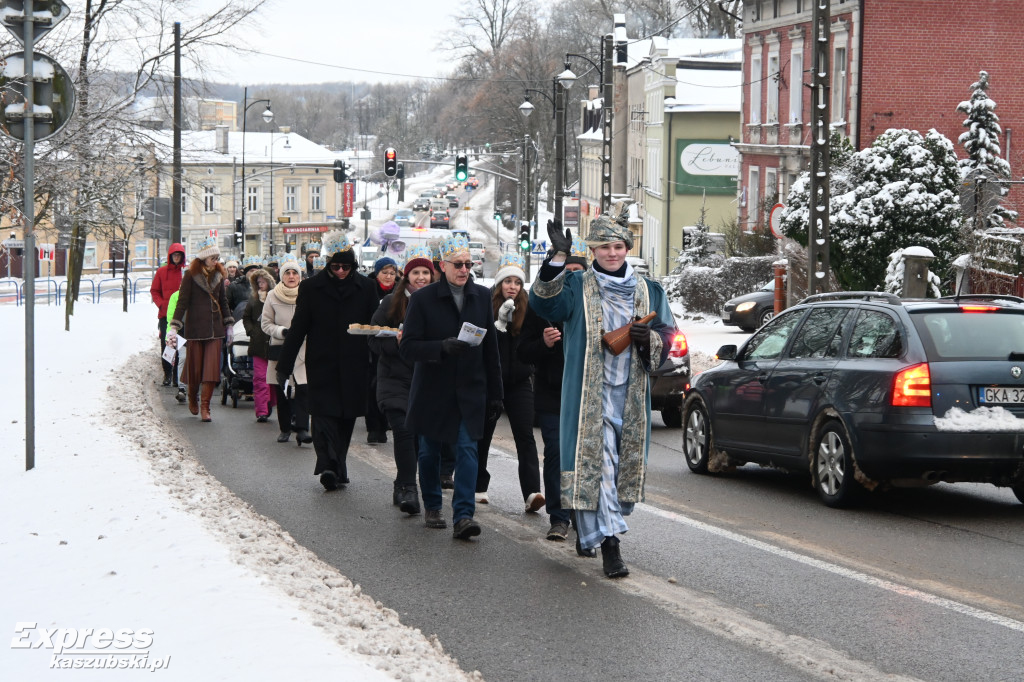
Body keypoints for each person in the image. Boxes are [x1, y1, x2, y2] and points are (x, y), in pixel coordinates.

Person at [529, 206, 676, 578]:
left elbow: (669, 337)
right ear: (592, 252)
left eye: (618, 246)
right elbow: (543, 301)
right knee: (601, 465)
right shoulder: (577, 286)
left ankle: (588, 528)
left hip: (629, 395)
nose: (612, 253)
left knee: (612, 471)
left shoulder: (649, 290)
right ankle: (611, 545)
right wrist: (558, 258)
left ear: (627, 248)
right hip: (588, 395)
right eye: (603, 247)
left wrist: (649, 340)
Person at [401, 234, 502, 540]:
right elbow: (408, 348)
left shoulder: (482, 297)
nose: (464, 270)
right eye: (458, 264)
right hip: (434, 388)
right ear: (441, 266)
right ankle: (432, 506)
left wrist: (496, 393)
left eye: (469, 264)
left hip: (470, 388)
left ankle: (463, 515)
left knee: (468, 450)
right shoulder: (422, 299)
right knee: (430, 451)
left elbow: (491, 348)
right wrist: (440, 347)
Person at [276, 230, 379, 491]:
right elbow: (299, 327)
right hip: (322, 362)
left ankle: (338, 464)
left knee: (345, 418)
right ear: (328, 265)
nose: (341, 271)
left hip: (355, 364)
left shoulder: (367, 288)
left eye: (346, 266)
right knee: (322, 415)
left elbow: (376, 326)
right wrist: (285, 365)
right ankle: (328, 465)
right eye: (336, 266)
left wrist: (377, 357)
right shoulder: (311, 288)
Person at [518, 236, 589, 542]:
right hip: (553, 394)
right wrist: (545, 345)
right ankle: (559, 517)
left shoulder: (592, 306)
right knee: (557, 454)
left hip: (586, 393)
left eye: (577, 270)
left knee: (584, 456)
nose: (572, 276)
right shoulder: (540, 304)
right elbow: (523, 350)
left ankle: (583, 515)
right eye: (566, 270)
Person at [367, 246, 435, 516]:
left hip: (426, 379)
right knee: (404, 431)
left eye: (425, 273)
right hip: (395, 378)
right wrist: (397, 344)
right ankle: (408, 487)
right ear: (405, 277)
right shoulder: (390, 304)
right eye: (415, 272)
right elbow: (372, 339)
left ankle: (400, 482)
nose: (421, 277)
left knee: (420, 437)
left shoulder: (438, 303)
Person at [474, 252, 544, 513]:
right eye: (507, 282)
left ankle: (532, 492)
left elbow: (535, 344)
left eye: (516, 282)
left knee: (525, 436)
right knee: (484, 435)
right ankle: (479, 486)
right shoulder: (486, 306)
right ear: (499, 284)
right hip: (492, 381)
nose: (512, 287)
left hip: (519, 382)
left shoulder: (530, 308)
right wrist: (499, 323)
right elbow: (480, 340)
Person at [167, 236, 234, 422]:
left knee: (211, 371)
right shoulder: (190, 275)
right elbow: (182, 302)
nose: (216, 260)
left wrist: (229, 325)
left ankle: (206, 407)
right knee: (195, 369)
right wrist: (174, 326)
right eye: (213, 257)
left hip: (215, 329)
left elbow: (223, 301)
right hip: (195, 329)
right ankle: (192, 397)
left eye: (217, 257)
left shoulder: (219, 276)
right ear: (204, 258)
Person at [262, 256, 311, 444]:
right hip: (281, 348)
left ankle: (302, 429)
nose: (291, 276)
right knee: (282, 391)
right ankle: (284, 428)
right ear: (282, 276)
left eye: (295, 273)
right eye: (288, 273)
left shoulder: (307, 294)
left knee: (303, 389)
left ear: (299, 276)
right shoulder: (272, 295)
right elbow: (266, 324)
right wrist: (282, 331)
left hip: (303, 349)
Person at [364, 256, 399, 444]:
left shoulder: (401, 291)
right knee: (373, 385)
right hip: (373, 343)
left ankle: (387, 421)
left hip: (393, 344)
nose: (388, 276)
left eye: (392, 273)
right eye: (384, 272)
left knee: (390, 384)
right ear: (377, 273)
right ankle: (374, 427)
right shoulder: (368, 289)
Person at [242, 266, 277, 422]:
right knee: (260, 378)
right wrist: (251, 331)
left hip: (274, 343)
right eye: (258, 282)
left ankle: (270, 402)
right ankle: (261, 410)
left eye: (263, 281)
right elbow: (246, 317)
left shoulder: (276, 298)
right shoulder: (254, 300)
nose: (261, 284)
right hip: (257, 344)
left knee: (274, 379)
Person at [150, 242, 186, 386]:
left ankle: (178, 375)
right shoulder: (161, 272)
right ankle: (167, 374)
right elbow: (154, 291)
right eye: (174, 255)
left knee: (180, 346)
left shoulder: (185, 273)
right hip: (166, 315)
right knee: (167, 345)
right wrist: (161, 304)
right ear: (170, 256)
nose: (176, 257)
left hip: (182, 315)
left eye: (179, 255)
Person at [228, 256, 260, 322]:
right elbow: (227, 306)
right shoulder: (234, 286)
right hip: (239, 321)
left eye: (257, 271)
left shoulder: (263, 286)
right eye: (251, 271)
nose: (254, 273)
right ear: (246, 273)